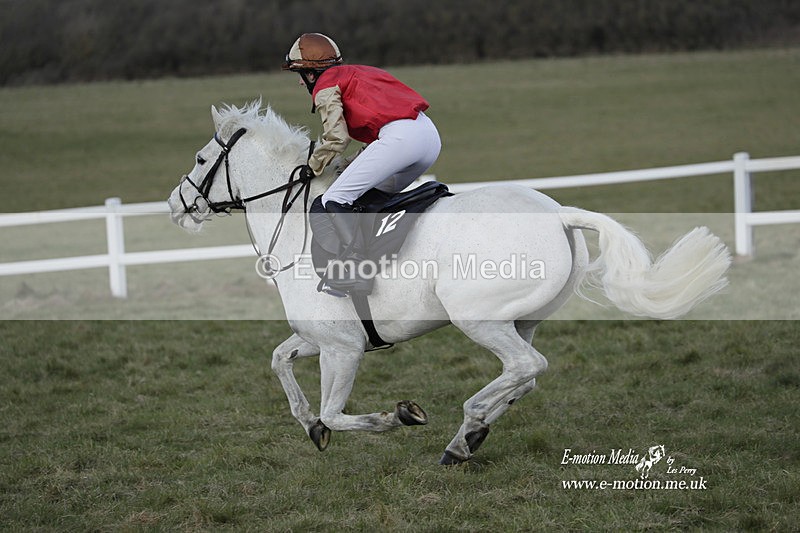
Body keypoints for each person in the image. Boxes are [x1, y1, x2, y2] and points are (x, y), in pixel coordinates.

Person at [283, 32, 441, 295]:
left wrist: (312, 166)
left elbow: (337, 137)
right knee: (367, 199)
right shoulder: (359, 72)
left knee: (331, 200)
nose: (301, 83)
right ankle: (385, 257)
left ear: (311, 74)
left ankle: (355, 269)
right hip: (428, 137)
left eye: (300, 75)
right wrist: (347, 165)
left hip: (401, 138)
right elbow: (380, 136)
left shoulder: (324, 86)